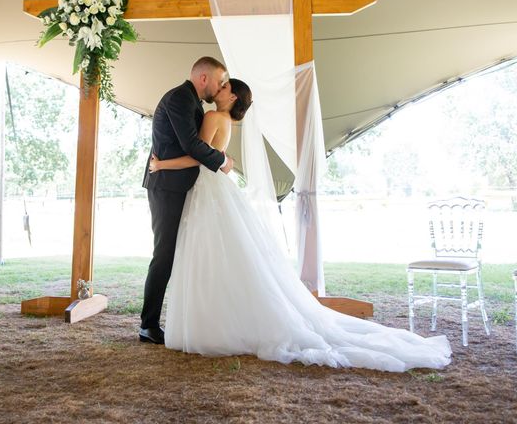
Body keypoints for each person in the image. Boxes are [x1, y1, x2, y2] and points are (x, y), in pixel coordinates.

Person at [148, 78, 452, 372]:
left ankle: (208, 322)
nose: (220, 88)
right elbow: (214, 157)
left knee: (207, 256)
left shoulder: (214, 115)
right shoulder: (225, 121)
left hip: (205, 190)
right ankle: (218, 319)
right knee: (222, 256)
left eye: (226, 87)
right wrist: (222, 161)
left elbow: (197, 155)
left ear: (233, 98)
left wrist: (161, 164)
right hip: (214, 189)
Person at [140, 57, 234, 345]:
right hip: (166, 186)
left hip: (180, 183)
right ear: (203, 78)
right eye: (218, 82)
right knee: (165, 252)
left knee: (181, 252)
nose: (218, 88)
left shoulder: (192, 102)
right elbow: (192, 145)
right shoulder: (180, 98)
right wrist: (223, 161)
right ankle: (148, 324)